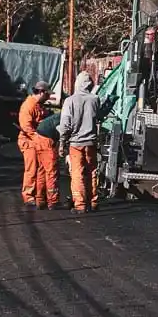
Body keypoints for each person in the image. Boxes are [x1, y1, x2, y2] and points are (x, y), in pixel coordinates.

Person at [59, 71, 101, 214]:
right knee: (92, 171)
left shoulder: (70, 101)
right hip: (91, 142)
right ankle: (93, 201)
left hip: (76, 143)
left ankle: (80, 205)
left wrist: (62, 143)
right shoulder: (95, 99)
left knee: (77, 173)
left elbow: (65, 125)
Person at [18, 81, 52, 208]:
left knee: (40, 168)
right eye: (47, 94)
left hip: (35, 139)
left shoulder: (38, 105)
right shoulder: (29, 105)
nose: (49, 97)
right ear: (41, 92)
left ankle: (38, 195)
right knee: (31, 169)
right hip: (28, 140)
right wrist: (37, 138)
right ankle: (28, 196)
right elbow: (26, 127)